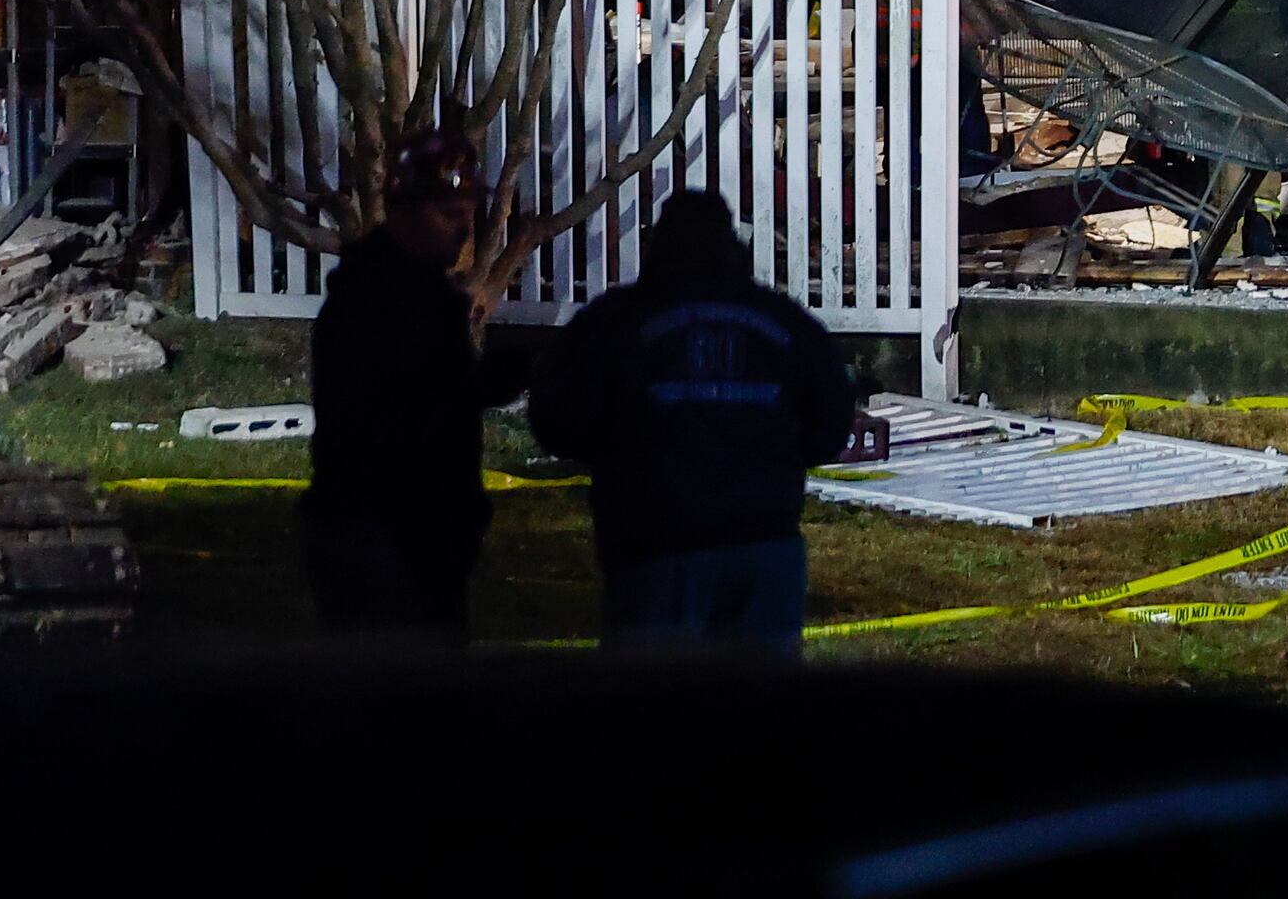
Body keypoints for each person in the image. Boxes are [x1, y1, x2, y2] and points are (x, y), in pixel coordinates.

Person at [531, 189, 866, 653]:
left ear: (657, 247)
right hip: (763, 543)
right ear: (732, 246)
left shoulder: (614, 322)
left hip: (654, 547)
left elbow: (557, 420)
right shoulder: (786, 324)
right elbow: (830, 421)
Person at [303, 132, 535, 640]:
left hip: (422, 535)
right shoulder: (375, 301)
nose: (462, 232)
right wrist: (482, 385)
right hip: (381, 536)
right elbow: (405, 407)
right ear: (404, 211)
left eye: (467, 215)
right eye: (448, 216)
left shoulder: (422, 293)